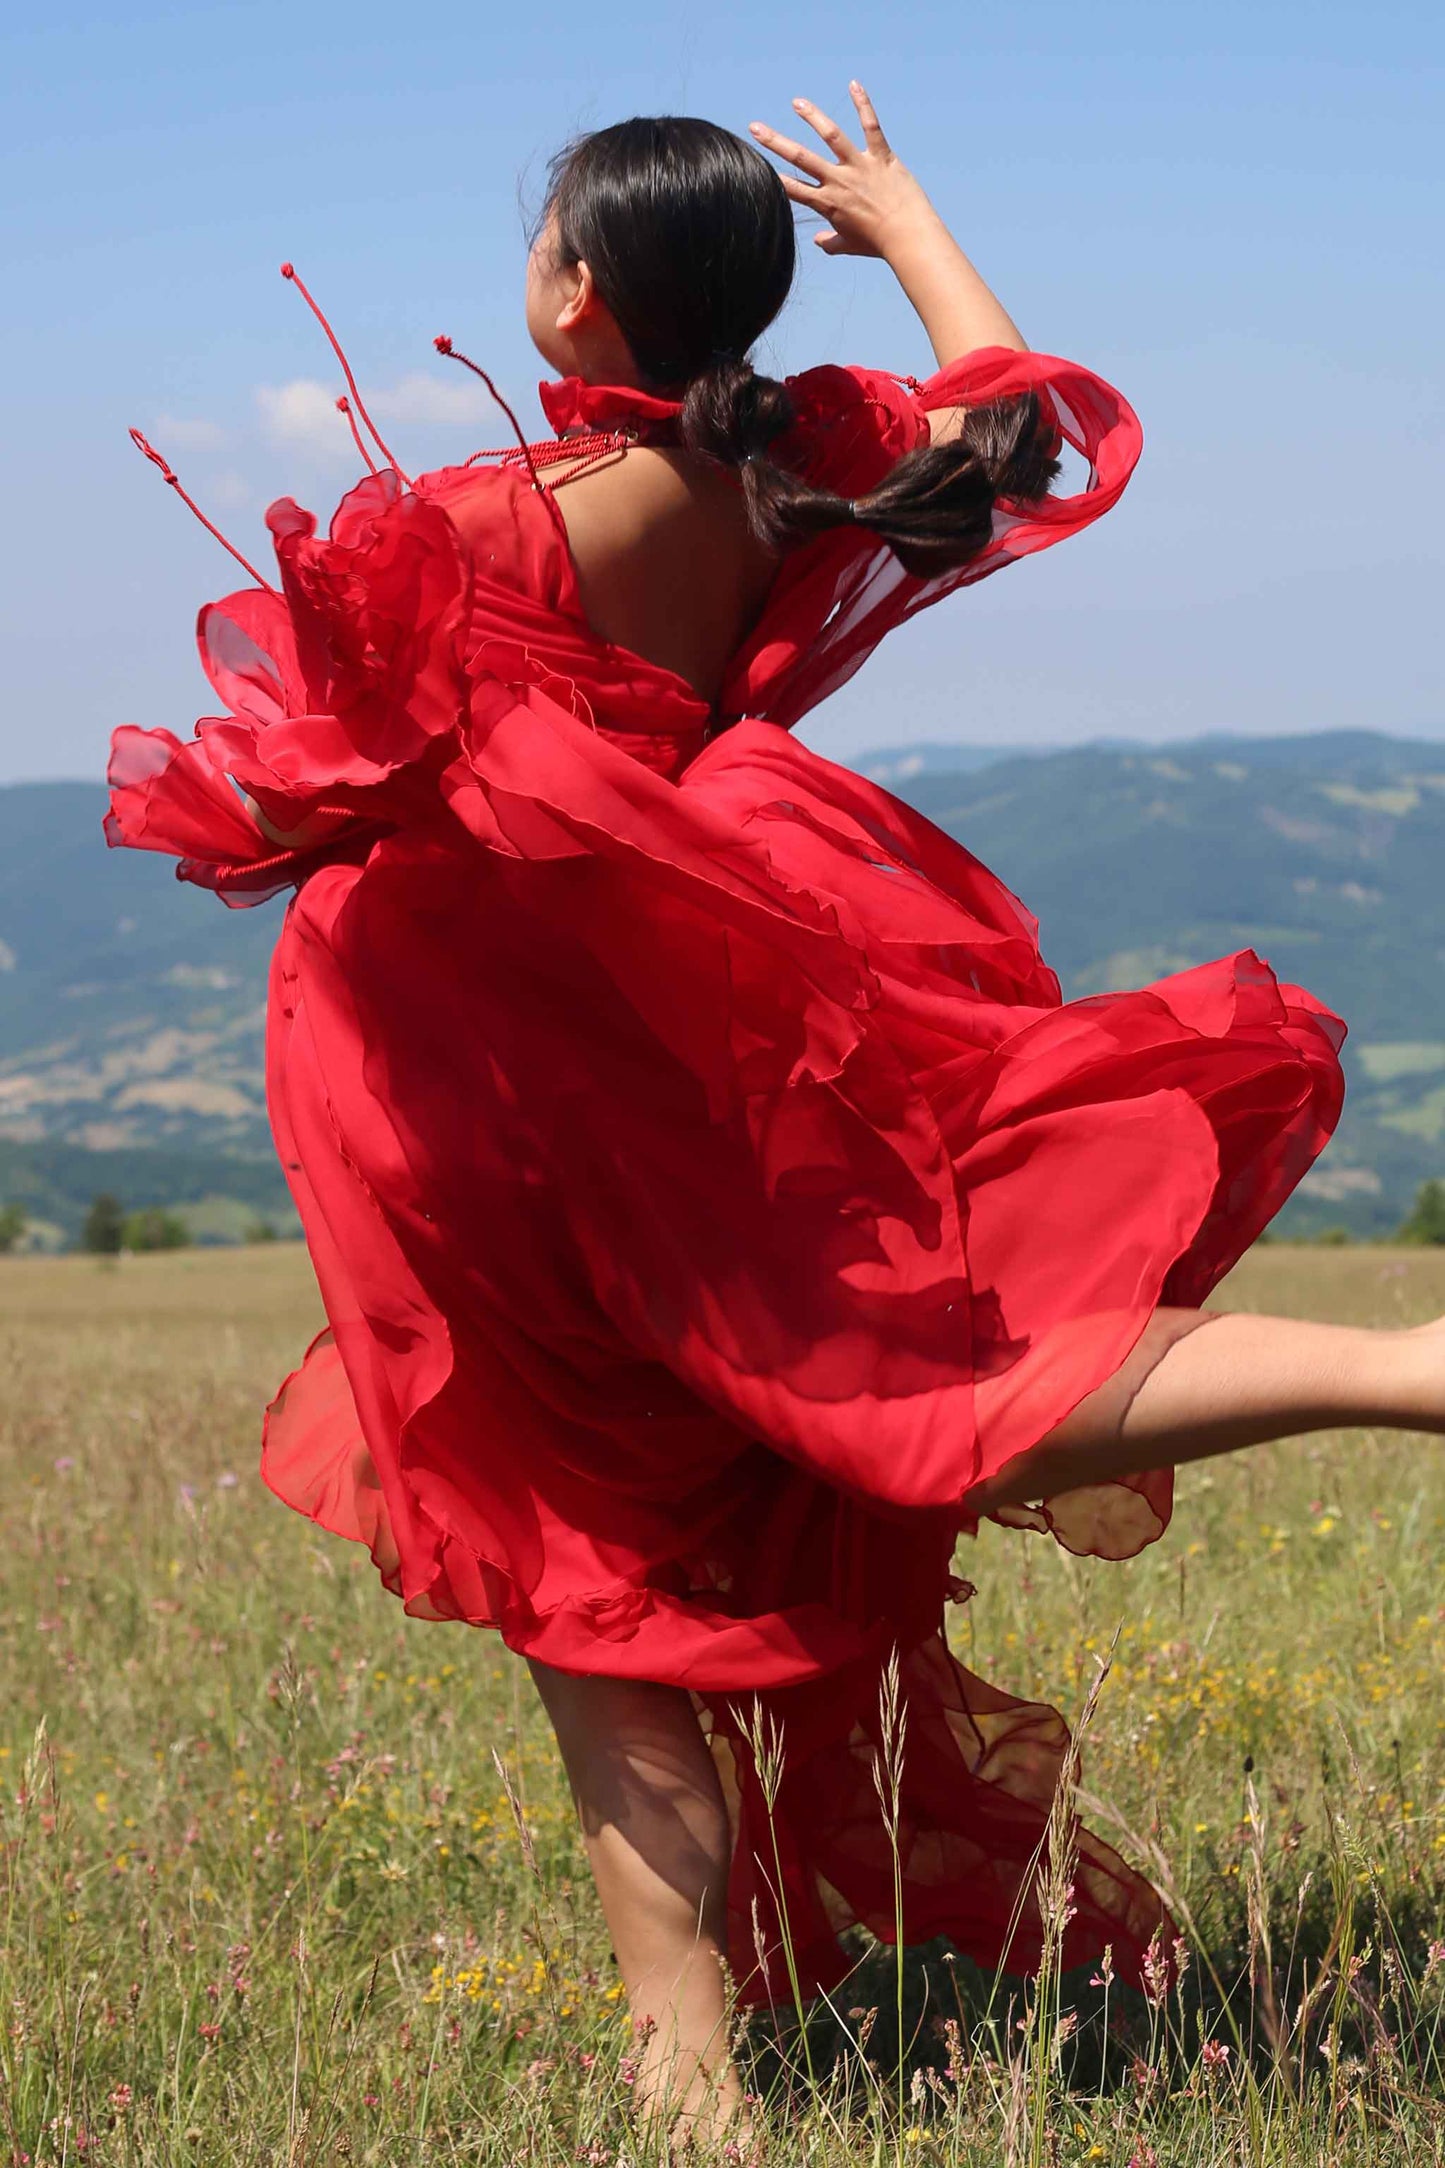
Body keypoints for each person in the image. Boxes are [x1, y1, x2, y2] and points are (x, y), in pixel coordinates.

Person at [107, 86, 1432, 2155]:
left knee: (570, 1545)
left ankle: (690, 2064)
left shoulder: (470, 524)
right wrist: (905, 221)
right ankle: (1403, 1366)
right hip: (712, 1008)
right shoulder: (782, 466)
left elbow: (280, 770)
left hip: (474, 1077)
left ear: (568, 286)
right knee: (929, 1349)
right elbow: (1026, 435)